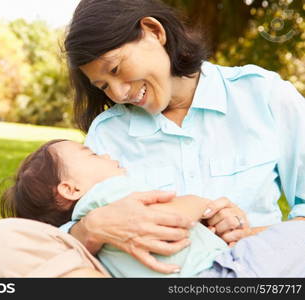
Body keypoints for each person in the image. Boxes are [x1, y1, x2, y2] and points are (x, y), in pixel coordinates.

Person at [56, 0, 305, 274]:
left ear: (153, 31)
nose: (118, 93)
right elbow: (68, 242)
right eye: (103, 86)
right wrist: (92, 226)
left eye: (115, 69)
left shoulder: (263, 95)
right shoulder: (108, 134)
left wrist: (248, 235)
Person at [0, 139, 304, 278]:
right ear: (70, 189)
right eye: (92, 154)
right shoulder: (109, 194)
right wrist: (200, 204)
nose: (106, 155)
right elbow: (174, 214)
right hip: (224, 270)